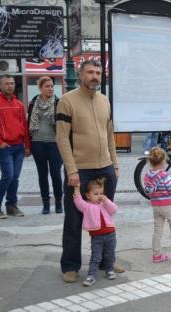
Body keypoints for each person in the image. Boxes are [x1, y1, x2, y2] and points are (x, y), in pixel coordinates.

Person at [56, 60, 121, 283]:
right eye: (90, 72)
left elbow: (109, 135)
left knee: (105, 216)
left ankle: (106, 261)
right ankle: (71, 266)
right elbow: (62, 138)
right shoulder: (67, 101)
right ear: (81, 75)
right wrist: (71, 170)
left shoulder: (104, 101)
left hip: (105, 167)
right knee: (74, 220)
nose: (95, 76)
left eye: (98, 72)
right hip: (80, 170)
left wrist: (115, 164)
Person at [27, 76, 63, 214]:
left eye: (52, 86)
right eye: (47, 86)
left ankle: (59, 202)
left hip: (54, 143)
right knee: (42, 174)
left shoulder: (58, 102)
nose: (50, 88)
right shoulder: (34, 102)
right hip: (37, 143)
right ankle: (46, 204)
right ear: (40, 88)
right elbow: (29, 121)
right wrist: (28, 144)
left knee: (55, 173)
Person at [143, 147, 171, 263]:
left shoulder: (147, 175)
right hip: (168, 205)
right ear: (163, 162)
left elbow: (148, 190)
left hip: (156, 205)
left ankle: (157, 255)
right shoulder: (164, 175)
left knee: (157, 230)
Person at [73, 178, 117, 287]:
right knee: (96, 257)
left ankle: (110, 270)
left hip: (111, 234)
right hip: (97, 236)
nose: (99, 196)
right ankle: (91, 275)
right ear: (88, 195)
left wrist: (106, 200)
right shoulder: (87, 206)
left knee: (110, 254)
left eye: (101, 193)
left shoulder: (105, 204)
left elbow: (114, 209)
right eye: (96, 194)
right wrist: (77, 189)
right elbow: (78, 202)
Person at [0, 75, 30, 219]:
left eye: (12, 83)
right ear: (0, 86)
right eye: (6, 84)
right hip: (4, 146)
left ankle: (11, 206)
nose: (10, 86)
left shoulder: (19, 104)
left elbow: (24, 126)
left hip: (19, 146)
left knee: (15, 177)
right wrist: (0, 143)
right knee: (8, 176)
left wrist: (27, 145)